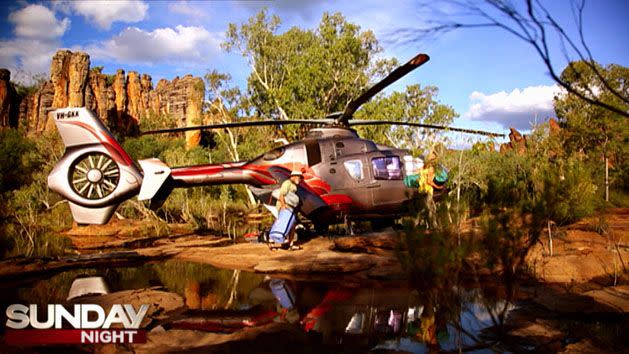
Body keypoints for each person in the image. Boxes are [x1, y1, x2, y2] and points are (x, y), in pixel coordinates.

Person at [272, 170, 303, 250]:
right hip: (284, 206)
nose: (300, 179)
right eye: (299, 177)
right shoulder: (287, 183)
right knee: (282, 224)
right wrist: (283, 205)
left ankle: (290, 244)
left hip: (290, 208)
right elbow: (281, 194)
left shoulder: (294, 185)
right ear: (294, 176)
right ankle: (276, 242)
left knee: (292, 224)